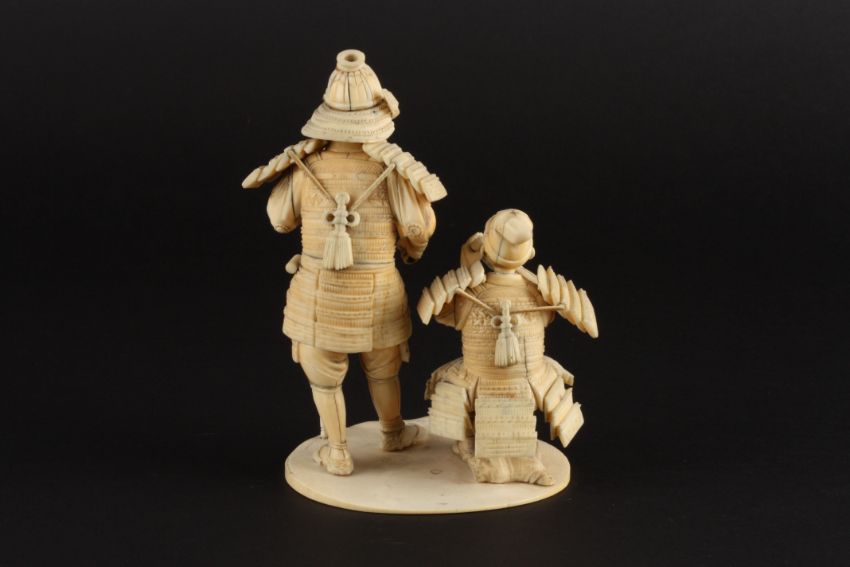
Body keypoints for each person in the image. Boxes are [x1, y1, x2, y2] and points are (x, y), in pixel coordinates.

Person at [243, 49, 446, 475]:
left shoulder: (304, 166)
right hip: (377, 292)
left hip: (318, 291)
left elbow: (279, 221)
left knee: (325, 378)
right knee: (383, 370)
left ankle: (337, 452)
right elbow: (417, 228)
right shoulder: (392, 171)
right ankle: (392, 432)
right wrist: (413, 248)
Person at [418, 209, 597, 484]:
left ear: (485, 249)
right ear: (530, 253)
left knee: (458, 393)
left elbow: (441, 314)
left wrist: (468, 267)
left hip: (479, 377)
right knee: (511, 410)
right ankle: (491, 454)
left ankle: (502, 460)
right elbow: (556, 318)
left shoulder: (469, 292)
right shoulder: (540, 293)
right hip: (526, 378)